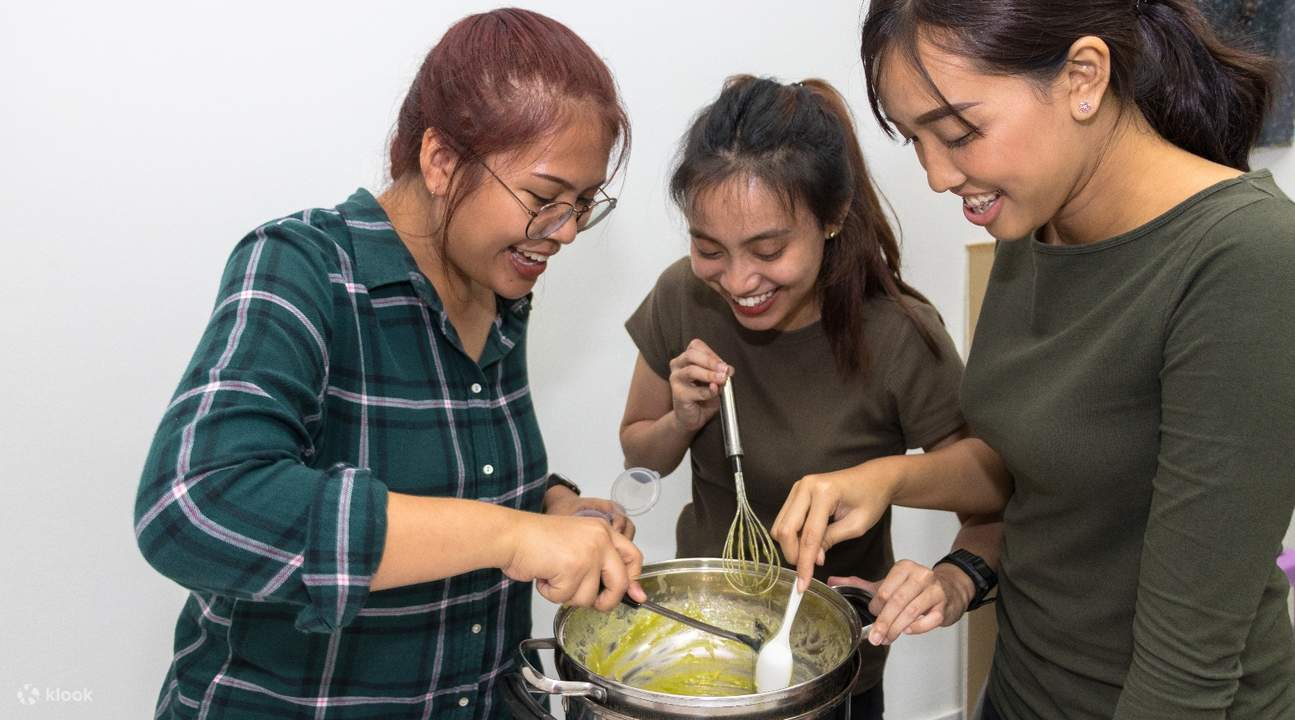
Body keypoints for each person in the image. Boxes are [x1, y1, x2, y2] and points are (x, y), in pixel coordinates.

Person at [773, 1, 1295, 718]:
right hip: (1022, 687)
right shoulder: (1034, 220)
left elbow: (1189, 663)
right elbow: (1035, 467)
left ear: (1083, 76)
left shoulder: (1246, 259)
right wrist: (893, 485)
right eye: (914, 140)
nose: (934, 175)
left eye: (958, 132)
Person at [133, 9, 646, 719]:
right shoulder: (304, 265)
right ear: (441, 160)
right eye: (542, 199)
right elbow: (192, 505)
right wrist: (514, 535)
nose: (563, 233)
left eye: (583, 205)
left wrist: (554, 508)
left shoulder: (494, 290)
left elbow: (451, 475)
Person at [619, 75, 1005, 719]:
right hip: (705, 646)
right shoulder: (681, 295)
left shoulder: (898, 333)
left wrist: (884, 479)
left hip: (831, 669)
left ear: (831, 220)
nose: (738, 281)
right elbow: (642, 452)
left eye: (768, 249)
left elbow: (990, 485)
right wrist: (683, 419)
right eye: (709, 248)